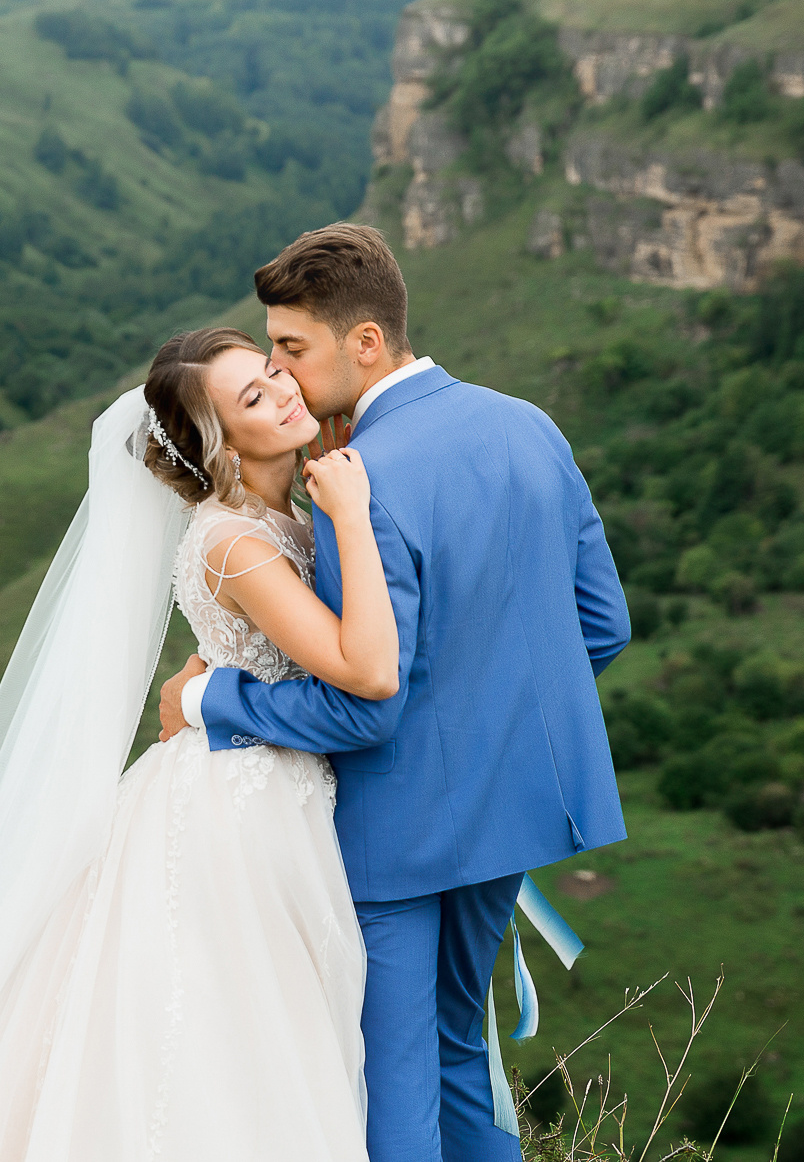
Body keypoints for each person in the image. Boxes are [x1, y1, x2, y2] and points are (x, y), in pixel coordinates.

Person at [0, 326, 400, 1161]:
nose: (282, 391)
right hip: (240, 815)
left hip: (271, 788)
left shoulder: (278, 514)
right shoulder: (234, 539)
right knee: (241, 1047)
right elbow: (363, 666)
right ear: (218, 442)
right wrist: (352, 514)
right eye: (253, 397)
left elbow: (257, 647)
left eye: (275, 372)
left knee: (274, 1031)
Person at [160, 222, 631, 1162]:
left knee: (395, 1076)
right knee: (461, 1045)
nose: (286, 375)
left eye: (291, 349)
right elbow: (602, 625)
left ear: (363, 343)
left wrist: (212, 702)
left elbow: (363, 701)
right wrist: (490, 719)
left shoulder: (354, 483)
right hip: (517, 811)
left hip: (396, 832)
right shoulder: (529, 423)